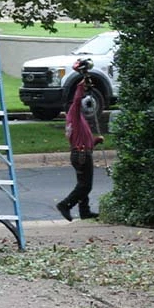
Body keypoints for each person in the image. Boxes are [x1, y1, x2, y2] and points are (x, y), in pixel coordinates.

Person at [56, 72, 104, 222]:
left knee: (82, 183)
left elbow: (82, 140)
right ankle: (65, 204)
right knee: (85, 186)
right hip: (82, 155)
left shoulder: (76, 122)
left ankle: (85, 211)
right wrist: (81, 85)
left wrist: (95, 141)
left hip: (80, 153)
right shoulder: (74, 116)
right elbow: (77, 101)